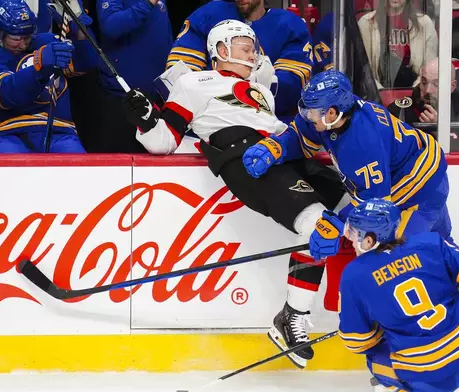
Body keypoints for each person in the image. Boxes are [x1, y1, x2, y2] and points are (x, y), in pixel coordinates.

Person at [243, 69, 459, 353]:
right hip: (420, 173)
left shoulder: (361, 143)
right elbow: (300, 133)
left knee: (406, 261)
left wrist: (334, 225)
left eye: (314, 113)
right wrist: (275, 148)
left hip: (416, 192)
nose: (308, 117)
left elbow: (377, 213)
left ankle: (422, 340)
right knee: (439, 250)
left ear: (333, 113)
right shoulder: (334, 116)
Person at [121, 19, 348, 369]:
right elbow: (163, 141)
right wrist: (146, 119)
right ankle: (293, 317)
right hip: (244, 159)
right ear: (221, 50)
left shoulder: (261, 90)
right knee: (319, 226)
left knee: (356, 210)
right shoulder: (193, 82)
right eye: (244, 44)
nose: (253, 50)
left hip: (279, 152)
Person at [338, 198, 459, 392]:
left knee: (375, 359)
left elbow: (357, 342)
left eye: (354, 233)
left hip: (427, 378)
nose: (352, 240)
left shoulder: (354, 276)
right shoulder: (429, 242)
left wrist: (386, 328)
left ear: (369, 239)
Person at [0, 0, 96, 153]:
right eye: (16, 39)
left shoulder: (47, 42)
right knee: (7, 163)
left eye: (27, 37)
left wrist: (78, 27)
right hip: (8, 132)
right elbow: (7, 94)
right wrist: (40, 65)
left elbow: (86, 63)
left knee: (77, 163)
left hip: (58, 131)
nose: (23, 44)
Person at [166, 0, 313, 119]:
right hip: (205, 124)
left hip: (265, 128)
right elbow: (177, 74)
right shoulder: (209, 15)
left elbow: (294, 87)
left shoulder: (290, 26)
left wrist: (263, 82)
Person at [92, 0, 173, 153]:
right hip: (122, 98)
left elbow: (164, 37)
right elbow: (111, 26)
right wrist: (147, 3)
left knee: (157, 167)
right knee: (119, 168)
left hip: (157, 98)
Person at [358, 0, 438, 89]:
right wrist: (380, 93)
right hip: (377, 92)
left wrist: (415, 91)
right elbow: (363, 67)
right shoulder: (367, 22)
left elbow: (430, 68)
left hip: (415, 90)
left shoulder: (424, 23)